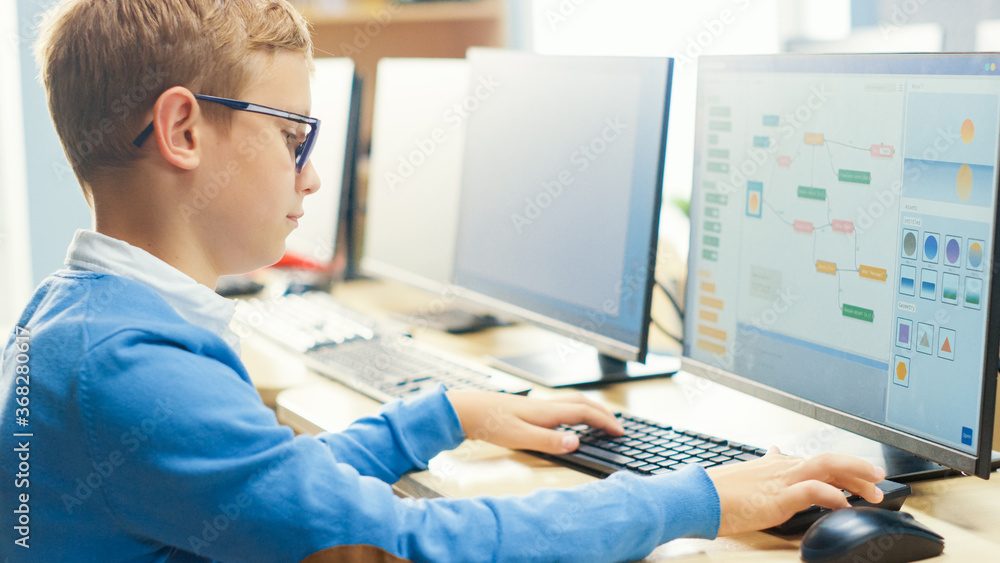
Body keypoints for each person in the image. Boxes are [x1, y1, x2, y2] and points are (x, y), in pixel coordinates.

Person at [0, 1, 886, 561]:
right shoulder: (128, 368)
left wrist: (448, 414)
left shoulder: (82, 322)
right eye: (294, 137)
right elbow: (408, 542)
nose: (312, 176)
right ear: (184, 131)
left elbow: (273, 494)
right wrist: (701, 497)